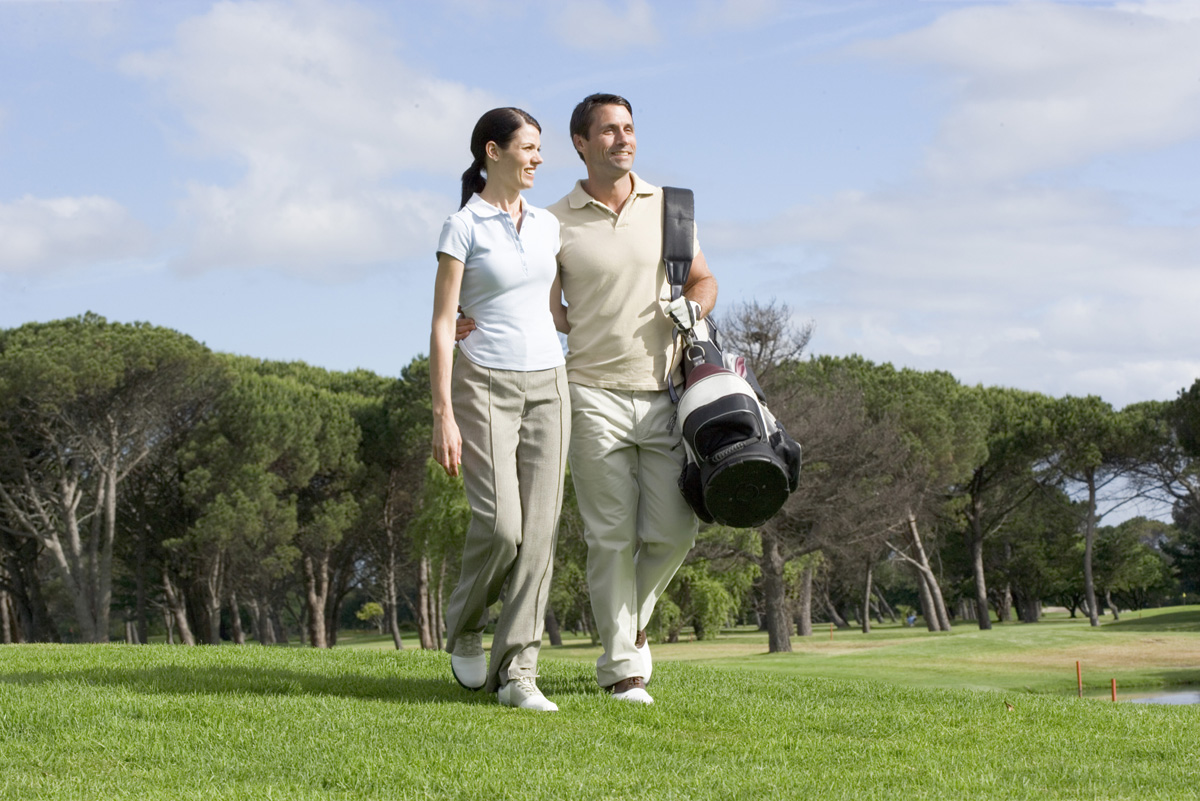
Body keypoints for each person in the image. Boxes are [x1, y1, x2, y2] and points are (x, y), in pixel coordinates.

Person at [461, 93, 717, 705]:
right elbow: (536, 299)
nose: (622, 139)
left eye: (629, 128)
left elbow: (704, 279)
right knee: (610, 537)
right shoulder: (553, 221)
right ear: (581, 143)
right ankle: (623, 669)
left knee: (674, 531)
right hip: (589, 393)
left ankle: (633, 623)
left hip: (667, 394)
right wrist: (473, 319)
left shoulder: (672, 207)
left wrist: (694, 307)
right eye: (608, 131)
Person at [431, 107, 569, 713]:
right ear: (494, 152)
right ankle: (465, 624)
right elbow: (443, 323)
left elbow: (556, 309)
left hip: (551, 383)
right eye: (528, 147)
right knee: (502, 527)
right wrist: (442, 413)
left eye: (539, 148)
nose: (537, 157)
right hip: (483, 382)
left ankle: (518, 672)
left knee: (539, 535)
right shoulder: (463, 226)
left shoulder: (548, 225)